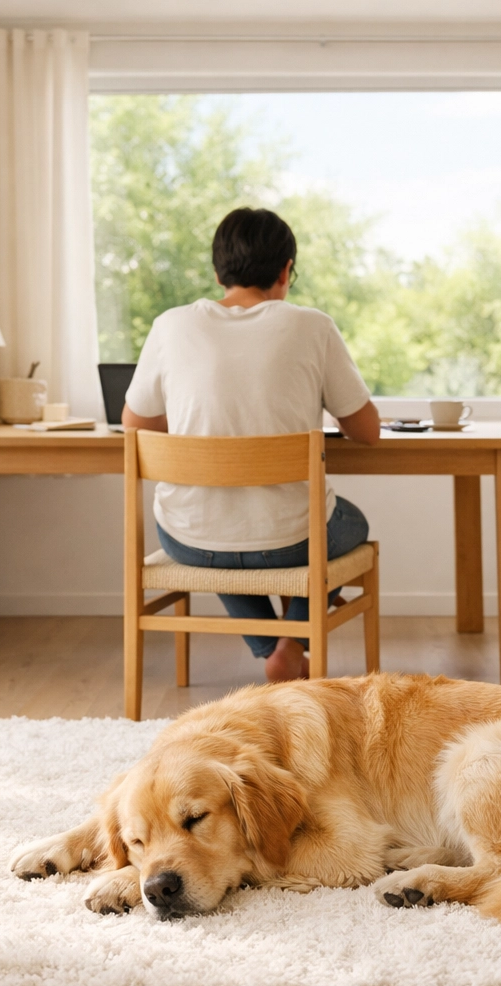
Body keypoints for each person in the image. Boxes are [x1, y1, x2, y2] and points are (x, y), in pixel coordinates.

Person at [121, 207, 380, 682]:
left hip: (189, 541)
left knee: (219, 527)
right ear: (285, 272)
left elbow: (135, 422)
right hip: (290, 541)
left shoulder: (170, 325)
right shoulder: (312, 326)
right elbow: (367, 431)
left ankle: (272, 650)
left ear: (218, 272)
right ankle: (289, 643)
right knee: (345, 523)